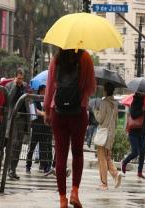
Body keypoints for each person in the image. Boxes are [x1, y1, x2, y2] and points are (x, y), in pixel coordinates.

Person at [44, 49, 96, 208]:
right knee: (77, 152)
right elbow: (91, 88)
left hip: (58, 111)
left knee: (60, 155)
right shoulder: (86, 58)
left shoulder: (56, 59)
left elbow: (49, 89)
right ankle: (74, 192)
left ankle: (62, 200)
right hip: (78, 111)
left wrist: (47, 110)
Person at [93, 82, 122, 190]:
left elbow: (100, 119)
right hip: (111, 133)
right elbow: (116, 120)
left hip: (103, 134)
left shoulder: (103, 102)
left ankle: (104, 183)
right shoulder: (115, 103)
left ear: (105, 90)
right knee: (107, 157)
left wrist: (95, 111)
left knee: (102, 158)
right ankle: (115, 174)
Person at [5, 68, 29, 180]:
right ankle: (9, 168)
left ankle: (13, 169)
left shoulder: (25, 86)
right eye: (18, 78)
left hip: (23, 119)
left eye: (21, 79)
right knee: (13, 144)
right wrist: (15, 86)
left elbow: (27, 102)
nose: (20, 81)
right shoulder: (10, 86)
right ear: (15, 77)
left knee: (19, 146)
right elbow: (8, 99)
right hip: (14, 119)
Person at [26, 85, 53, 174]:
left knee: (43, 147)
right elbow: (33, 109)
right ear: (41, 90)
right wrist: (42, 113)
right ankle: (28, 165)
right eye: (45, 90)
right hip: (36, 126)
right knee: (32, 147)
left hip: (44, 127)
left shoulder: (47, 100)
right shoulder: (35, 99)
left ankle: (45, 166)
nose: (46, 92)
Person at [121, 92, 145, 180]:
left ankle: (140, 172)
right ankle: (124, 162)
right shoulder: (134, 105)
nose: (144, 99)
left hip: (142, 132)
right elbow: (134, 115)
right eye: (142, 98)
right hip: (133, 132)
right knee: (135, 152)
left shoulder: (143, 105)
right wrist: (142, 110)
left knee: (142, 153)